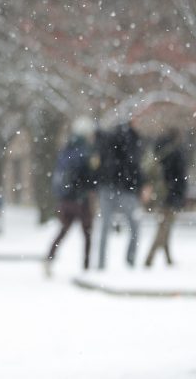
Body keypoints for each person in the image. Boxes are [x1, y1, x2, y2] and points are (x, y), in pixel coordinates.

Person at [45, 118, 97, 276]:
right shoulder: (86, 152)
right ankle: (86, 266)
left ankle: (49, 258)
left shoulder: (66, 149)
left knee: (63, 231)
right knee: (87, 233)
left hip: (65, 199)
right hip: (80, 199)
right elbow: (88, 177)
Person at [95, 120, 145, 270]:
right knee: (135, 226)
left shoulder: (106, 138)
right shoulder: (132, 140)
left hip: (107, 187)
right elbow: (134, 164)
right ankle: (130, 260)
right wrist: (140, 184)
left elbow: (99, 164)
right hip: (126, 189)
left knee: (105, 227)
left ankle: (101, 264)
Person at [145, 129, 189, 267]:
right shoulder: (175, 152)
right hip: (170, 195)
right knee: (164, 227)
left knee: (165, 226)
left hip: (161, 194)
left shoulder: (161, 151)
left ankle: (167, 258)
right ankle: (149, 259)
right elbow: (179, 177)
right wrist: (178, 194)